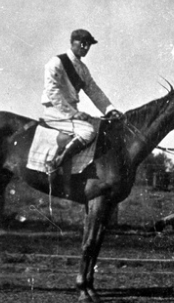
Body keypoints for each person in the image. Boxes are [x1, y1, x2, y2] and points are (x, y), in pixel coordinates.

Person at [41, 28, 122, 199]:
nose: (85, 47)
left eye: (88, 45)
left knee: (99, 126)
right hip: (55, 110)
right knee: (88, 131)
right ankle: (56, 163)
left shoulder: (83, 69)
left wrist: (110, 109)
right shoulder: (57, 62)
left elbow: (94, 91)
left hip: (70, 112)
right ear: (73, 43)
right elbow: (52, 91)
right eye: (82, 43)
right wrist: (72, 113)